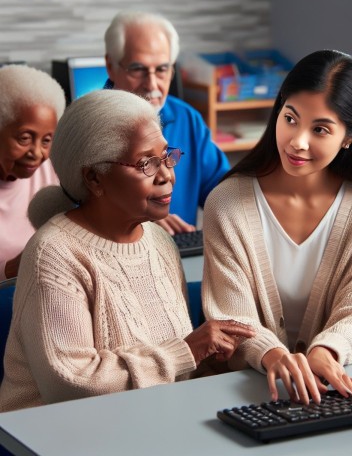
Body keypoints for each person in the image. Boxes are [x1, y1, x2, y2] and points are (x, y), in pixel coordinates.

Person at [0, 90, 254, 412]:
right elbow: (69, 384)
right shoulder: (54, 254)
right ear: (94, 177)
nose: (166, 175)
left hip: (146, 419)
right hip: (53, 435)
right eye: (146, 163)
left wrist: (218, 364)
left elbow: (172, 368)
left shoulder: (159, 242)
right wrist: (187, 351)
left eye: (167, 156)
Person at [201, 50, 352, 405]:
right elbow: (232, 318)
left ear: (351, 135)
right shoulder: (227, 202)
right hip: (240, 392)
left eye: (320, 129)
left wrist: (326, 351)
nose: (298, 141)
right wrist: (275, 356)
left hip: (332, 391)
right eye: (291, 118)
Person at [103, 10, 230, 235]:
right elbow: (71, 213)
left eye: (161, 69)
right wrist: (137, 223)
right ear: (111, 66)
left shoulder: (188, 119)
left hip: (177, 255)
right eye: (138, 69)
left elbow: (224, 195)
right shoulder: (85, 127)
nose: (151, 83)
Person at [0, 64, 65, 281]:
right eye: (24, 138)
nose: (37, 153)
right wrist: (10, 269)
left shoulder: (52, 172)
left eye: (47, 140)